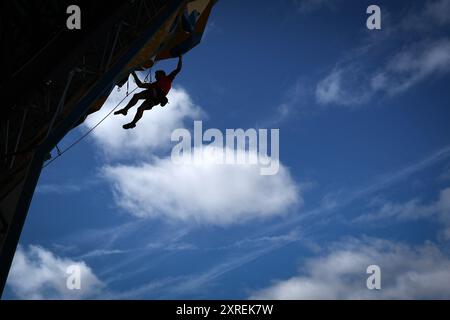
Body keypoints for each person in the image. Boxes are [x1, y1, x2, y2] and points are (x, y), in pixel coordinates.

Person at [114, 55, 183, 129]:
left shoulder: (168, 78)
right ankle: (127, 114)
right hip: (153, 96)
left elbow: (178, 69)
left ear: (162, 75)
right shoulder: (154, 84)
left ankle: (130, 118)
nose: (155, 77)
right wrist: (134, 74)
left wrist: (180, 57)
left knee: (140, 103)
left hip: (157, 96)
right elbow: (140, 85)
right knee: (138, 100)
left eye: (157, 75)